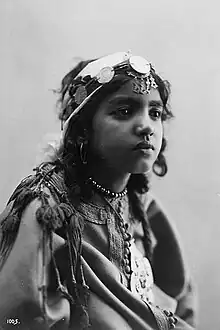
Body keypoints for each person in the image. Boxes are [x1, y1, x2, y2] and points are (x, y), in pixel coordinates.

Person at [0, 51, 197, 330]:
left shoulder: (142, 205)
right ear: (82, 131)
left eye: (155, 113)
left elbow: (181, 297)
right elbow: (20, 315)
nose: (146, 127)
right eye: (124, 111)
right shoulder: (48, 210)